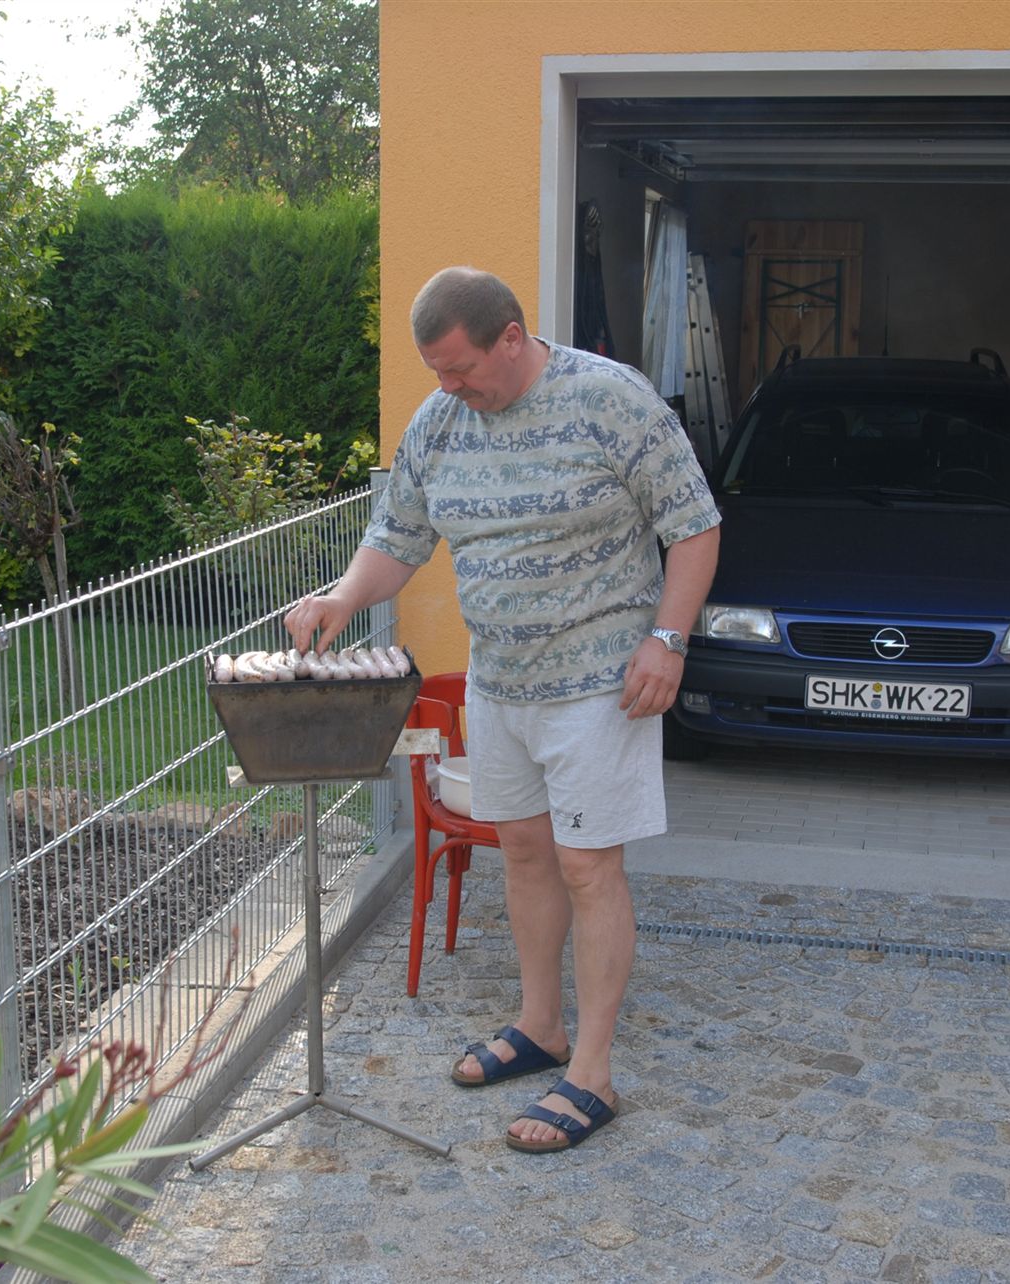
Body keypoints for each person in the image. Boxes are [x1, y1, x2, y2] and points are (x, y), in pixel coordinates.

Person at [284, 266, 720, 1153]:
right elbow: (397, 536)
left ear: (511, 339)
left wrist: (668, 640)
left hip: (600, 684)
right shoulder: (441, 421)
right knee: (522, 851)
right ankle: (540, 1025)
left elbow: (694, 525)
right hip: (500, 683)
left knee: (589, 868)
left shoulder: (609, 401)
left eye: (460, 368)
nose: (449, 387)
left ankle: (592, 1072)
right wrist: (343, 595)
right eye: (436, 373)